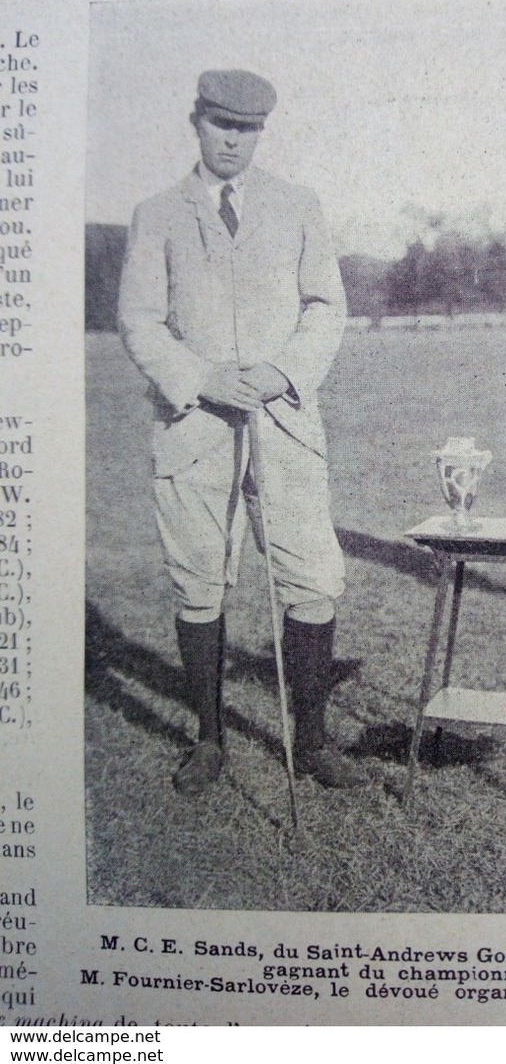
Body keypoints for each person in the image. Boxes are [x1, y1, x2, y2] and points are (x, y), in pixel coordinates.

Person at [118, 68, 366, 792]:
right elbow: (138, 318)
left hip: (283, 421)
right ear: (196, 122)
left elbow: (325, 306)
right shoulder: (156, 213)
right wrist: (197, 378)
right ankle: (207, 739)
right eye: (221, 125)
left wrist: (282, 372)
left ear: (262, 131)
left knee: (312, 579)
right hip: (194, 424)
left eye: (248, 128)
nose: (233, 140)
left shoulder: (298, 207)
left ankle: (313, 742)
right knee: (198, 581)